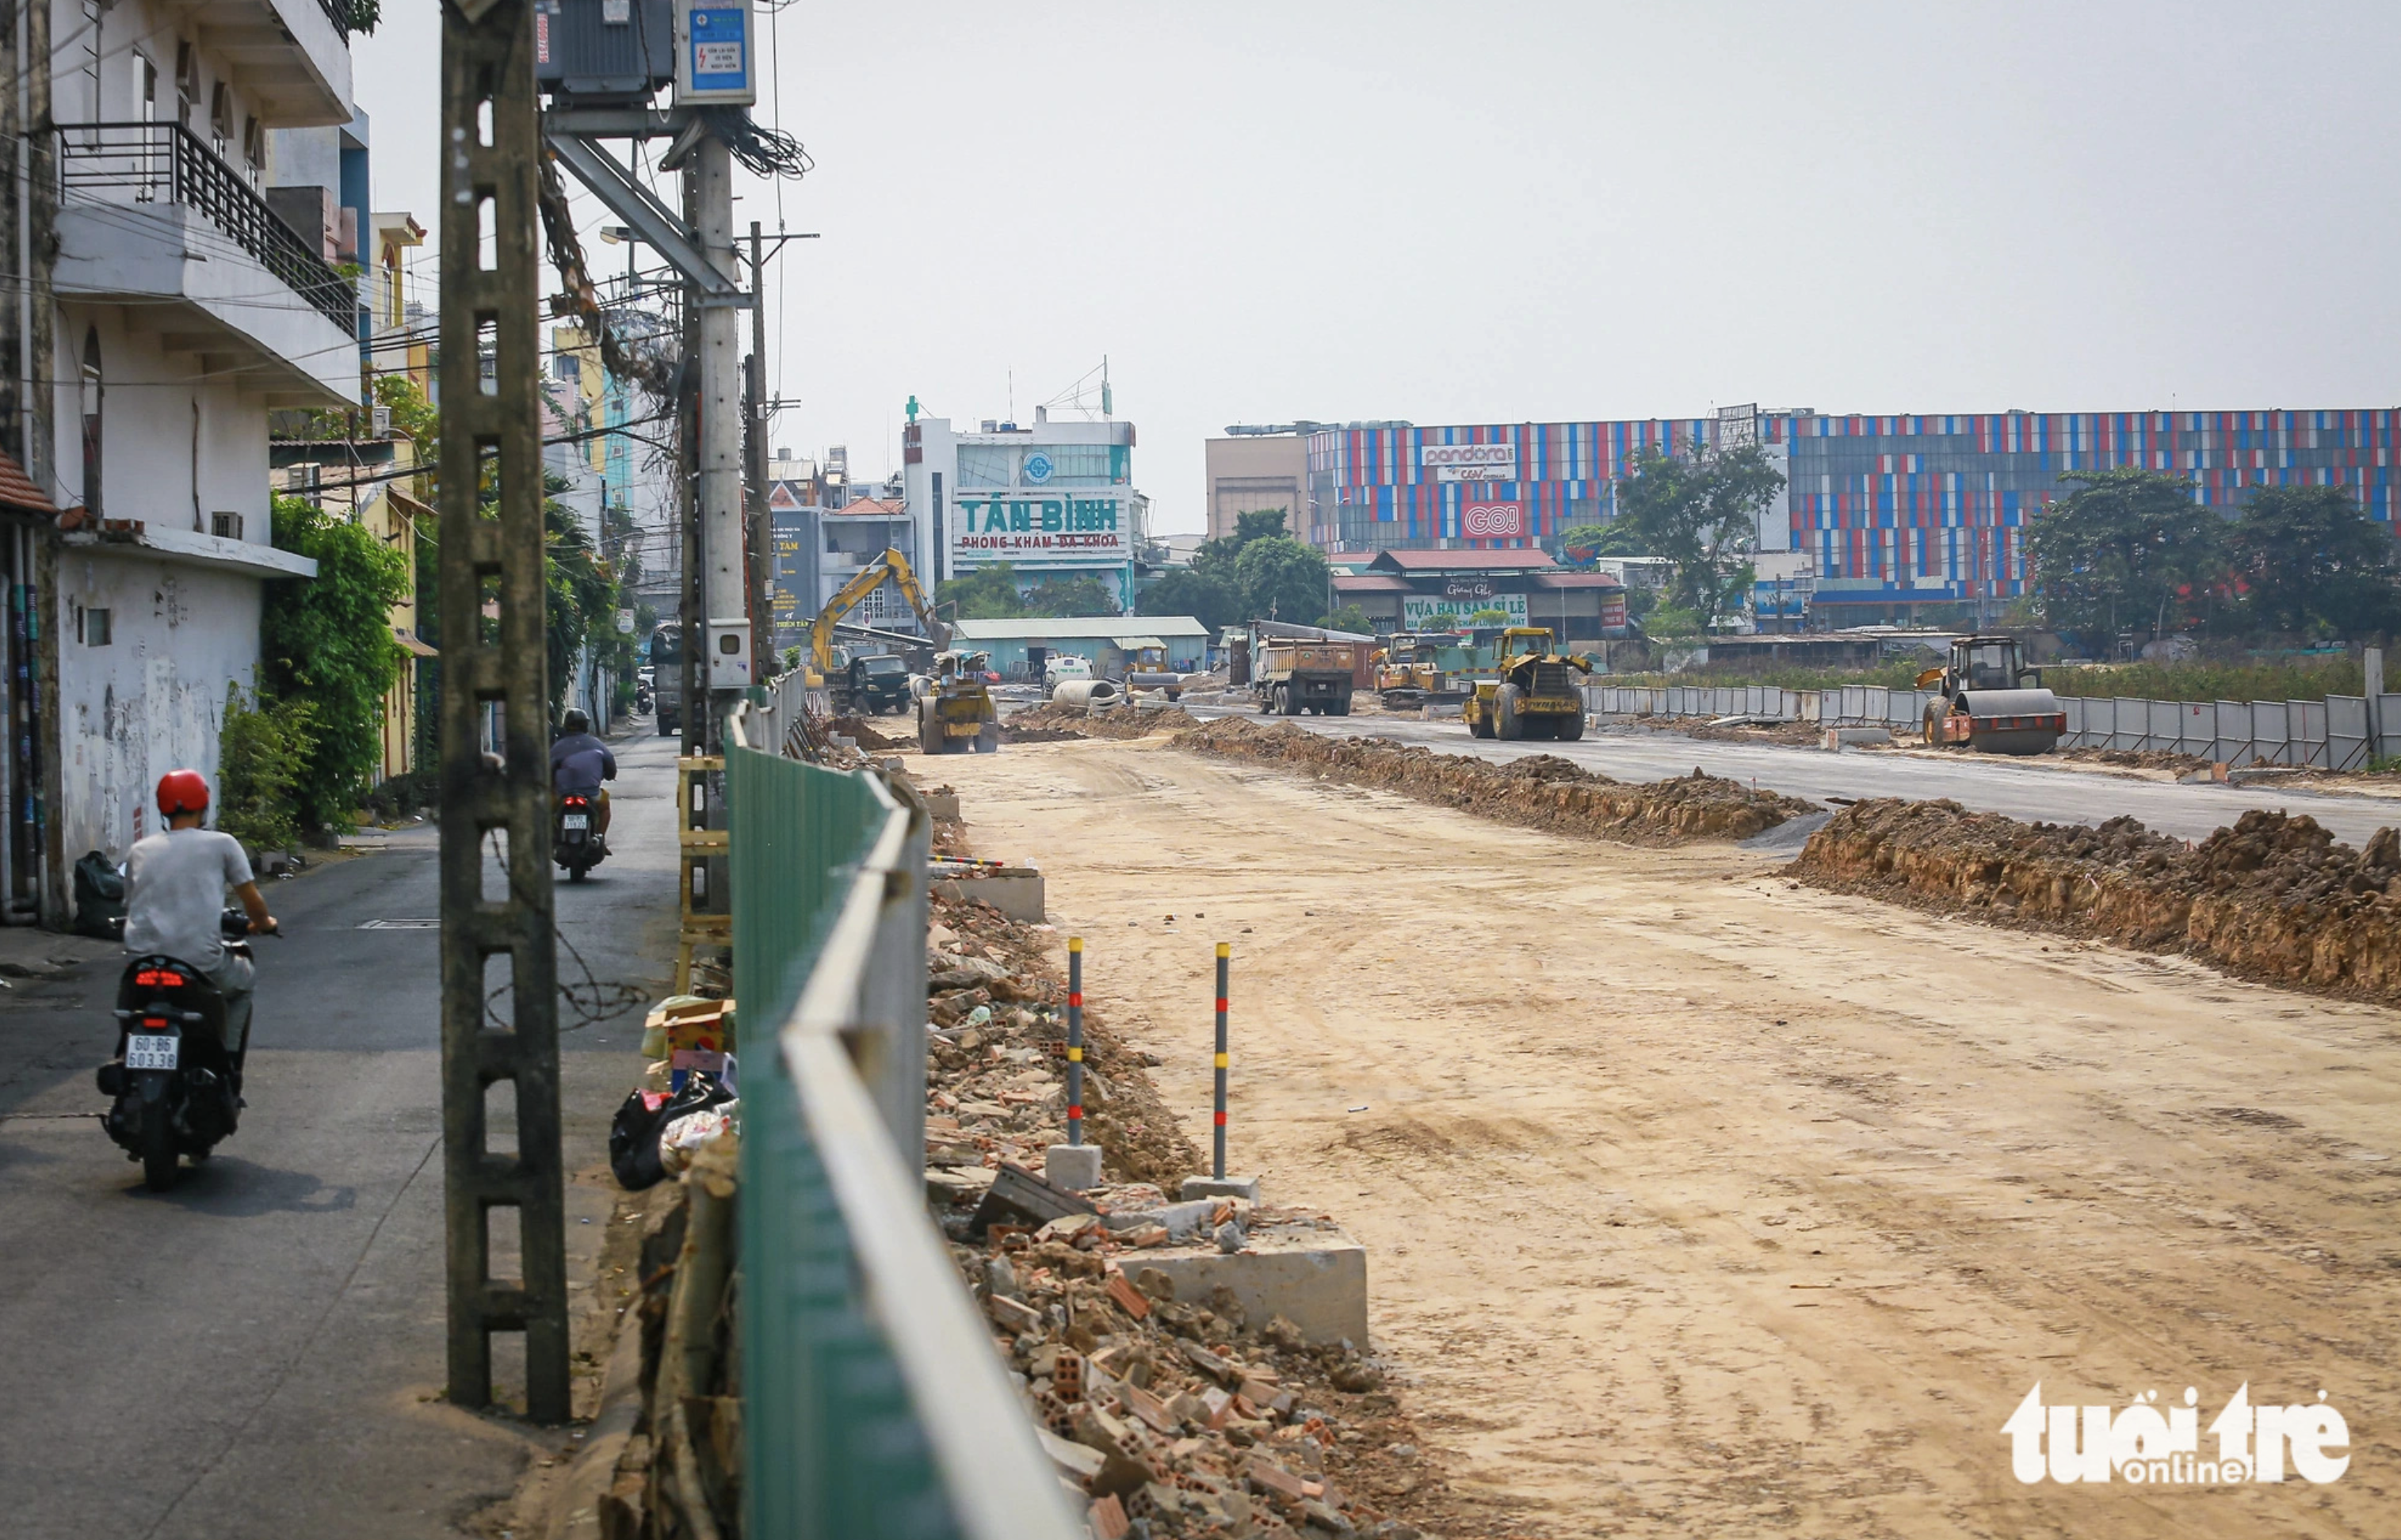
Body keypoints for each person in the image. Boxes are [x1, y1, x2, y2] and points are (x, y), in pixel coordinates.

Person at [121, 770, 277, 1061]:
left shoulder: (139, 850)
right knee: (245, 982)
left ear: (163, 807)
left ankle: (128, 1050)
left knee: (130, 1006)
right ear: (203, 806)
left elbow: (132, 904)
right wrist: (264, 923)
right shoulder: (222, 844)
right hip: (201, 967)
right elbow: (253, 902)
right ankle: (228, 1061)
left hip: (141, 967)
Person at [549, 707, 617, 842]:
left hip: (563, 793)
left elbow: (548, 769)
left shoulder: (558, 747)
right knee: (604, 808)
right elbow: (611, 766)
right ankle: (600, 839)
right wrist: (609, 775)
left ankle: (552, 839)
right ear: (586, 726)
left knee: (547, 810)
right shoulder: (597, 744)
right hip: (591, 793)